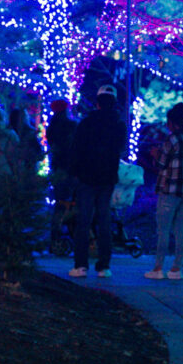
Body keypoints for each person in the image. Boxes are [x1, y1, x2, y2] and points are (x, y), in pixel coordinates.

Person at [65, 82, 127, 278]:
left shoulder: (86, 123)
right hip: (107, 177)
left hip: (87, 177)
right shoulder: (119, 124)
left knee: (83, 221)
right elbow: (121, 149)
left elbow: (75, 150)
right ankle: (104, 266)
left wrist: (74, 173)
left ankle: (81, 265)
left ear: (98, 102)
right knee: (104, 221)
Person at [146, 102, 183, 280]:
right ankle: (176, 269)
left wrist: (154, 154)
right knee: (180, 229)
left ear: (173, 123)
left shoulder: (172, 139)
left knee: (163, 229)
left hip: (169, 189)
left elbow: (161, 163)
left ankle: (158, 268)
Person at [45, 98, 75, 244]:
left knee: (59, 202)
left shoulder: (51, 127)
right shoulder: (71, 126)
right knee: (73, 201)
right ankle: (72, 232)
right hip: (70, 168)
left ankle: (55, 236)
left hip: (57, 167)